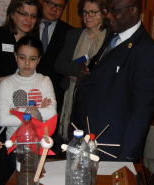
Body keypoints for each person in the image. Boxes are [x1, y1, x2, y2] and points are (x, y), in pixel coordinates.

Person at [74, 0, 154, 161]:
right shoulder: (112, 36)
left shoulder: (149, 53)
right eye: (107, 10)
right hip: (89, 136)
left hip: (111, 147)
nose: (108, 16)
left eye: (114, 10)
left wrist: (124, 159)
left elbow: (141, 115)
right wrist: (87, 72)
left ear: (134, 10)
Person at [0, 36, 57, 172]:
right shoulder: (7, 83)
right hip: (15, 147)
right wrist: (38, 110)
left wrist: (16, 110)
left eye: (33, 59)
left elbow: (52, 113)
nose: (27, 63)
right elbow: (4, 119)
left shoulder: (44, 81)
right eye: (22, 57)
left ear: (39, 59)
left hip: (41, 145)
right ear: (15, 56)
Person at [54, 0, 110, 142]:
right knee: (70, 141)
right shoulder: (73, 34)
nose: (87, 16)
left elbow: (105, 73)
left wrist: (80, 76)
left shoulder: (111, 39)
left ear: (104, 13)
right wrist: (78, 70)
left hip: (95, 100)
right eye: (85, 12)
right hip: (70, 97)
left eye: (93, 12)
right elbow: (59, 64)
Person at [36, 0, 73, 114]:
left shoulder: (70, 32)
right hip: (28, 90)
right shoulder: (29, 24)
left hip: (56, 95)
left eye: (59, 6)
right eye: (51, 4)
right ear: (41, 2)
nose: (54, 9)